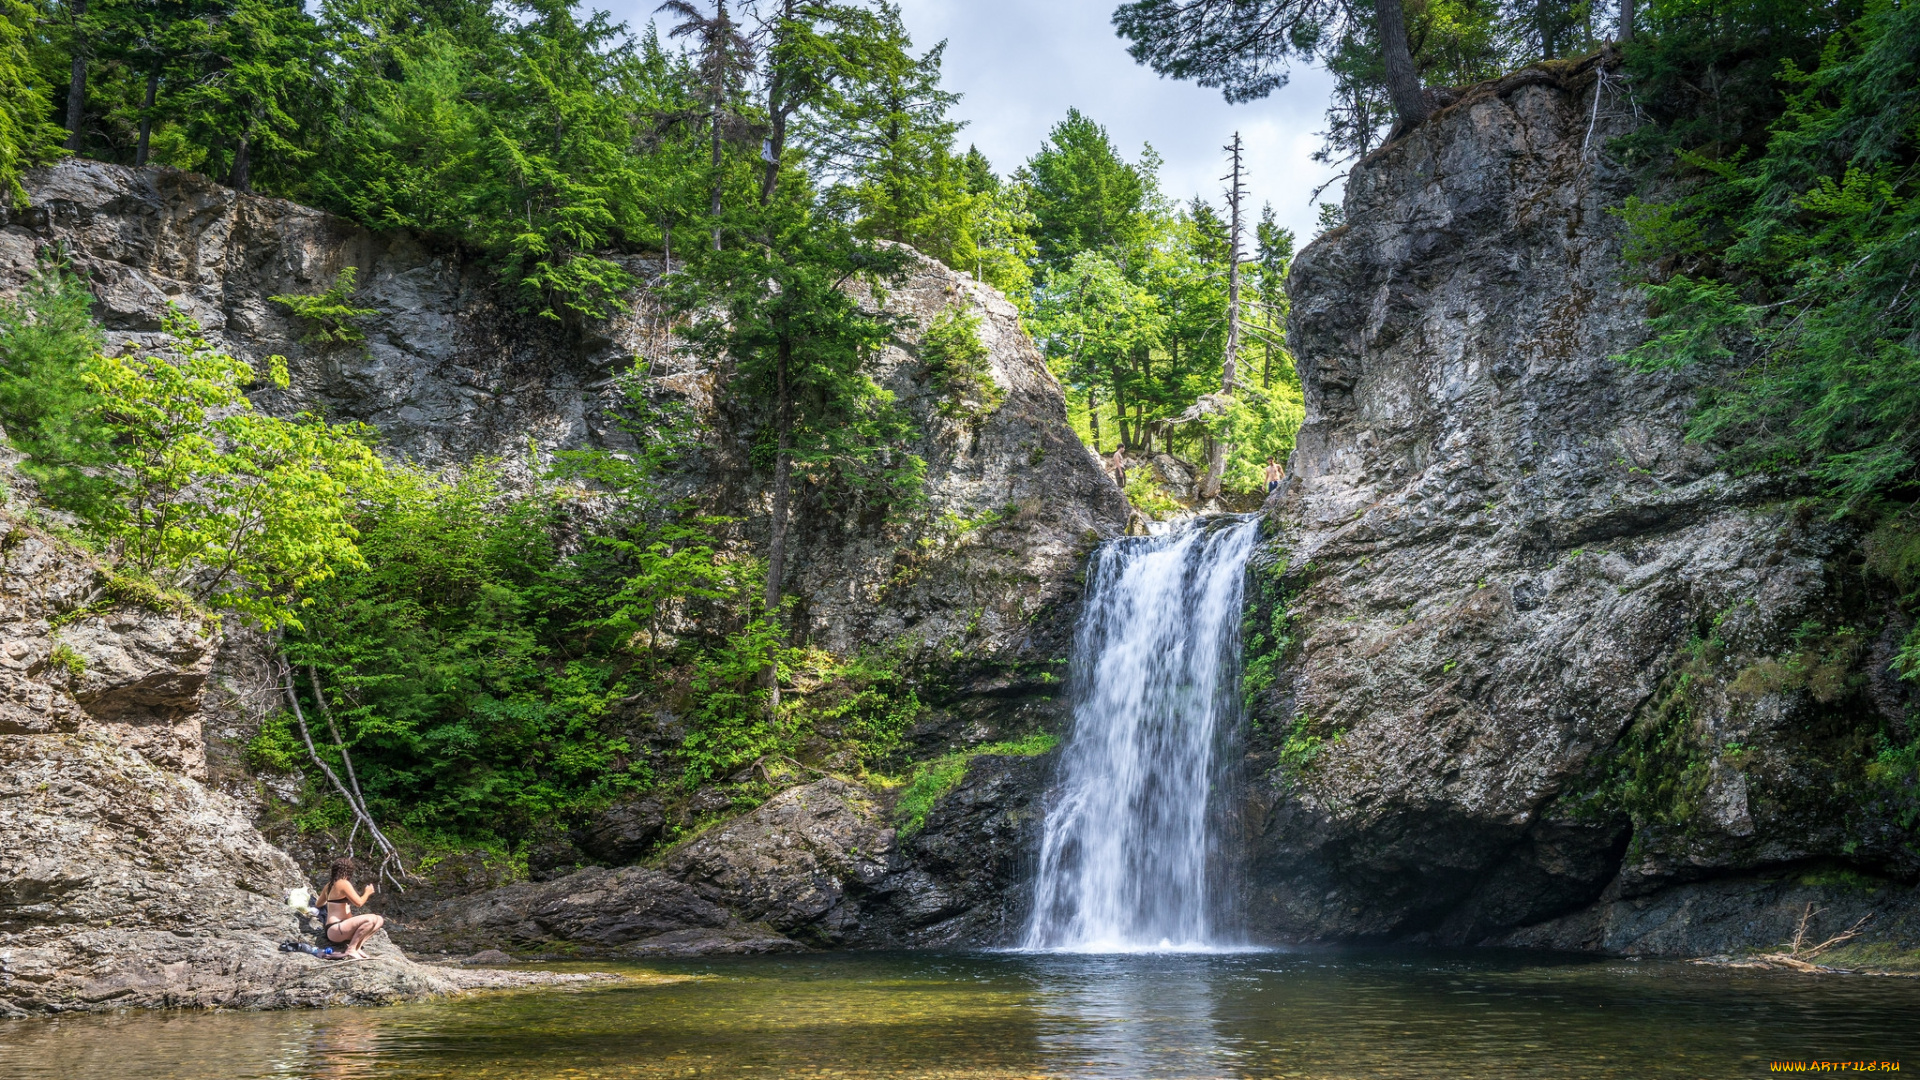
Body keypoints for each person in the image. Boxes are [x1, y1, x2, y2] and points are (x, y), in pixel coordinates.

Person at [320, 856, 384, 960]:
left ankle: (357, 947)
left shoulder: (329, 885)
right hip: (336, 928)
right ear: (349, 871)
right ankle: (351, 949)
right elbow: (359, 903)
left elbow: (319, 903)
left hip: (340, 930)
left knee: (380, 920)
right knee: (371, 919)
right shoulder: (343, 883)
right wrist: (367, 892)